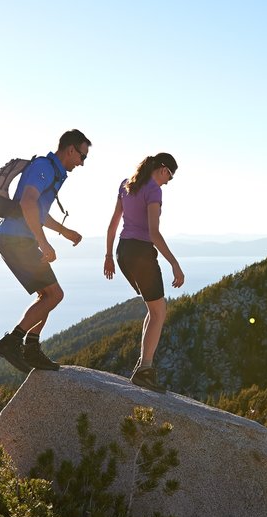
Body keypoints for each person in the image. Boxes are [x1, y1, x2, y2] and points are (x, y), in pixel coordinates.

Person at [0, 129, 91, 372]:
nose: (82, 163)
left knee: (48, 295)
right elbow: (27, 202)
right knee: (54, 295)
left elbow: (37, 211)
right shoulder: (44, 167)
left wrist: (65, 232)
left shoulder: (54, 172)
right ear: (70, 150)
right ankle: (12, 342)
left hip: (19, 239)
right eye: (82, 156)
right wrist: (43, 242)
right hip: (15, 240)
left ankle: (31, 348)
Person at [103, 153, 184, 392]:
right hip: (141, 252)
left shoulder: (126, 184)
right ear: (161, 169)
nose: (169, 181)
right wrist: (175, 263)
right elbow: (154, 233)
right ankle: (145, 370)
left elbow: (113, 224)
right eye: (170, 175)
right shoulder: (153, 191)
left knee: (154, 310)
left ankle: (143, 366)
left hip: (123, 252)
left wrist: (108, 256)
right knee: (159, 312)